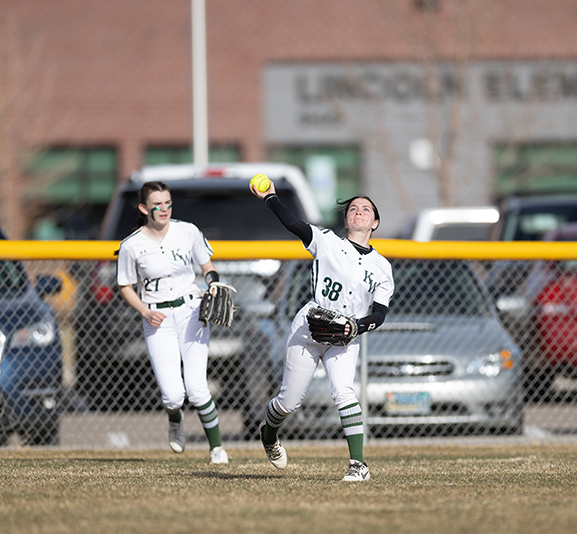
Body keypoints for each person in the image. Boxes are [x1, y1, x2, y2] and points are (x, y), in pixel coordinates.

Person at [250, 180, 394, 481]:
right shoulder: (328, 242)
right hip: (310, 326)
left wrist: (357, 326)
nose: (358, 211)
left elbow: (380, 313)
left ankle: (359, 465)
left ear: (375, 223)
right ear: (346, 220)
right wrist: (271, 197)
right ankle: (269, 434)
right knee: (289, 402)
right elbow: (292, 223)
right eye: (353, 209)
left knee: (344, 392)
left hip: (346, 334)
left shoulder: (382, 267)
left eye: (366, 209)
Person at [116, 180, 229, 464]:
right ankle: (175, 420)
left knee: (197, 388)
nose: (164, 209)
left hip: (191, 311)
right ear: (144, 208)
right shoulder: (131, 245)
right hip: (157, 318)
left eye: (168, 203)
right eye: (157, 204)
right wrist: (144, 311)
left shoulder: (187, 231)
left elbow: (207, 266)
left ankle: (217, 448)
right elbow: (125, 286)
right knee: (173, 396)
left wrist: (213, 283)